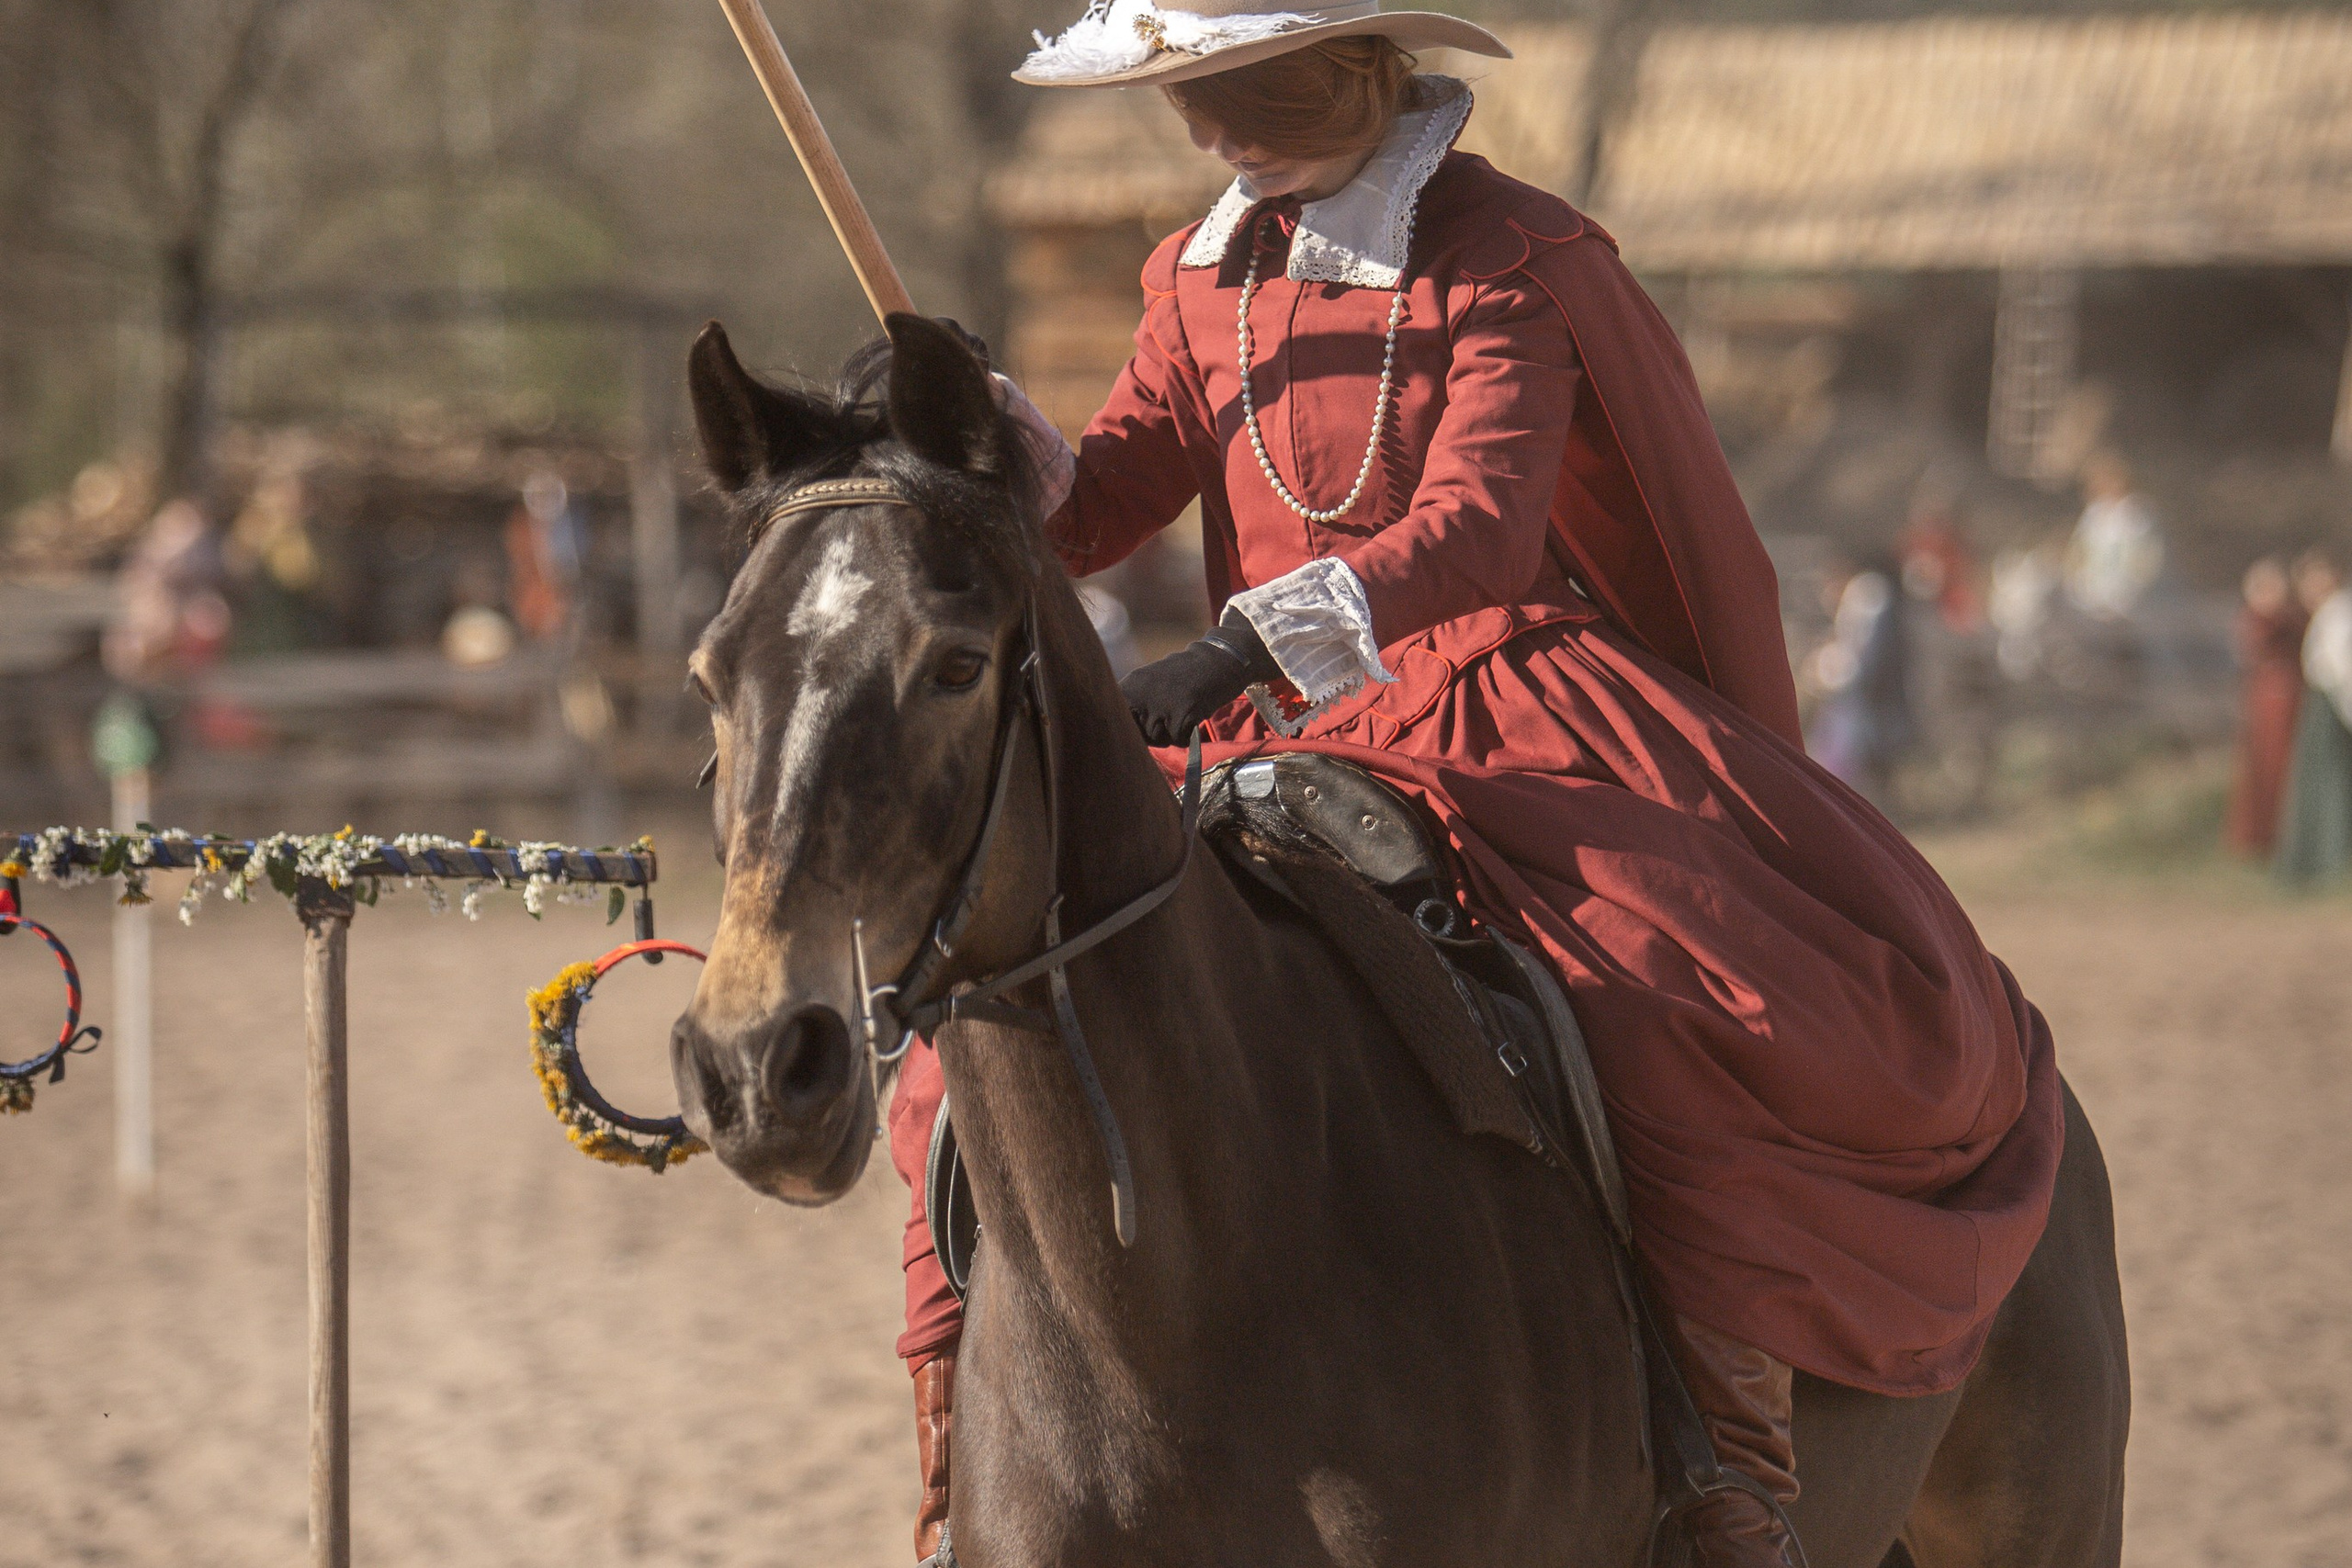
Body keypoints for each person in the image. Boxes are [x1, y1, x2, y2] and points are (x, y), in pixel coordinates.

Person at [888, 8, 2064, 1563]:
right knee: (977, 1042)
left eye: (1249, 92)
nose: (1217, 131)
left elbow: (1478, 529)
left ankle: (1721, 1451)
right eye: (1191, 99)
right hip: (1270, 734)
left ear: (1363, 70)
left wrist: (1245, 642)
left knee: (1656, 1002)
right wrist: (986, 443)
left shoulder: (1514, 255)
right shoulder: (1196, 275)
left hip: (1494, 702)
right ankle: (971, 1454)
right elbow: (1101, 501)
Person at [2275, 550, 2352, 886]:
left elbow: (2342, 670)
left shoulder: (2340, 614)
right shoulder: (2327, 614)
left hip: (2333, 708)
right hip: (2322, 706)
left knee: (2332, 784)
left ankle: (2332, 860)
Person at [2224, 556, 2307, 858]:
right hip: (2265, 702)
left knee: (2286, 770)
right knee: (2261, 770)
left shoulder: (2291, 618)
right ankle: (2258, 840)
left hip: (2288, 700)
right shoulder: (2257, 621)